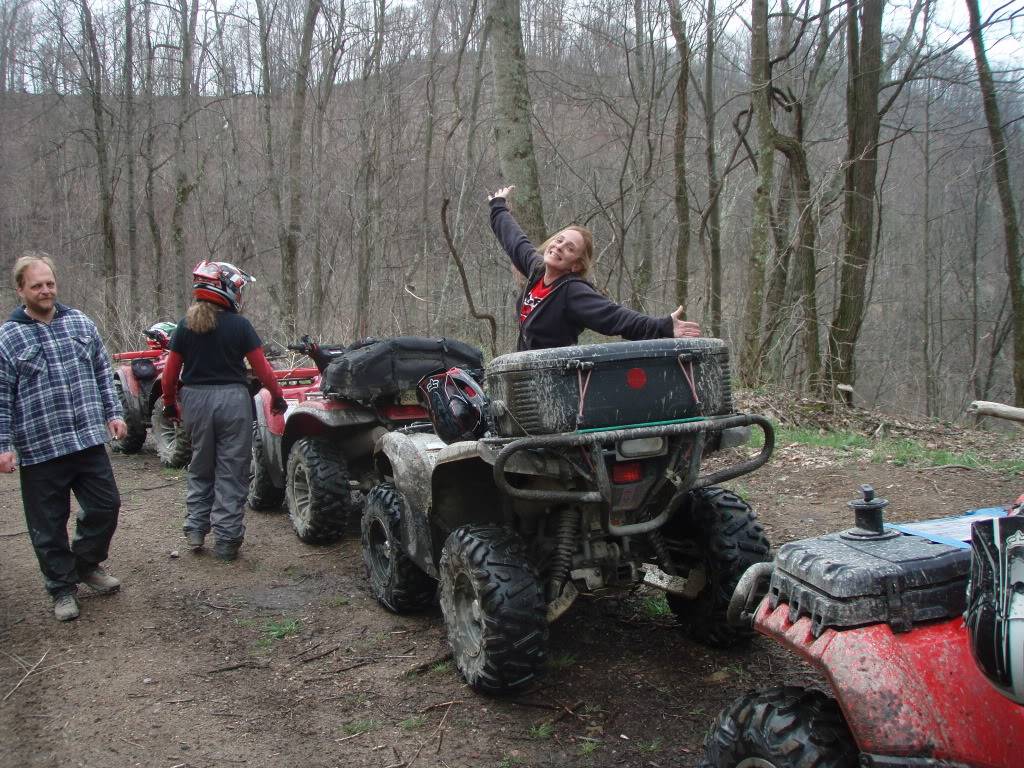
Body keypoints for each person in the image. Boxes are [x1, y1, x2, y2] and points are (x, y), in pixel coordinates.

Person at [0, 252, 127, 621]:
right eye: (37, 285)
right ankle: (61, 589)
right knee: (47, 524)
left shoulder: (81, 324)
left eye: (50, 283)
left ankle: (85, 564)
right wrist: (4, 446)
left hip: (87, 438)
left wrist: (114, 413)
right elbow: (2, 396)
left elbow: (104, 372)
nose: (46, 290)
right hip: (40, 447)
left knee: (107, 506)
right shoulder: (8, 337)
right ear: (21, 289)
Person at [160, 261, 287, 562]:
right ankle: (227, 539)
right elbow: (263, 370)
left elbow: (169, 373)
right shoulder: (239, 326)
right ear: (228, 289)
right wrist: (278, 396)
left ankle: (195, 528)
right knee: (232, 470)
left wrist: (169, 403)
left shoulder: (184, 325)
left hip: (195, 400)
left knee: (201, 463)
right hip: (232, 401)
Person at [488, 185, 701, 350]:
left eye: (569, 248)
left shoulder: (573, 292)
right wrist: (499, 207)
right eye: (559, 240)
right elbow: (515, 242)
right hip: (526, 377)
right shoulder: (538, 271)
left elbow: (615, 317)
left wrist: (662, 326)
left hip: (556, 382)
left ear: (575, 265)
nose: (559, 247)